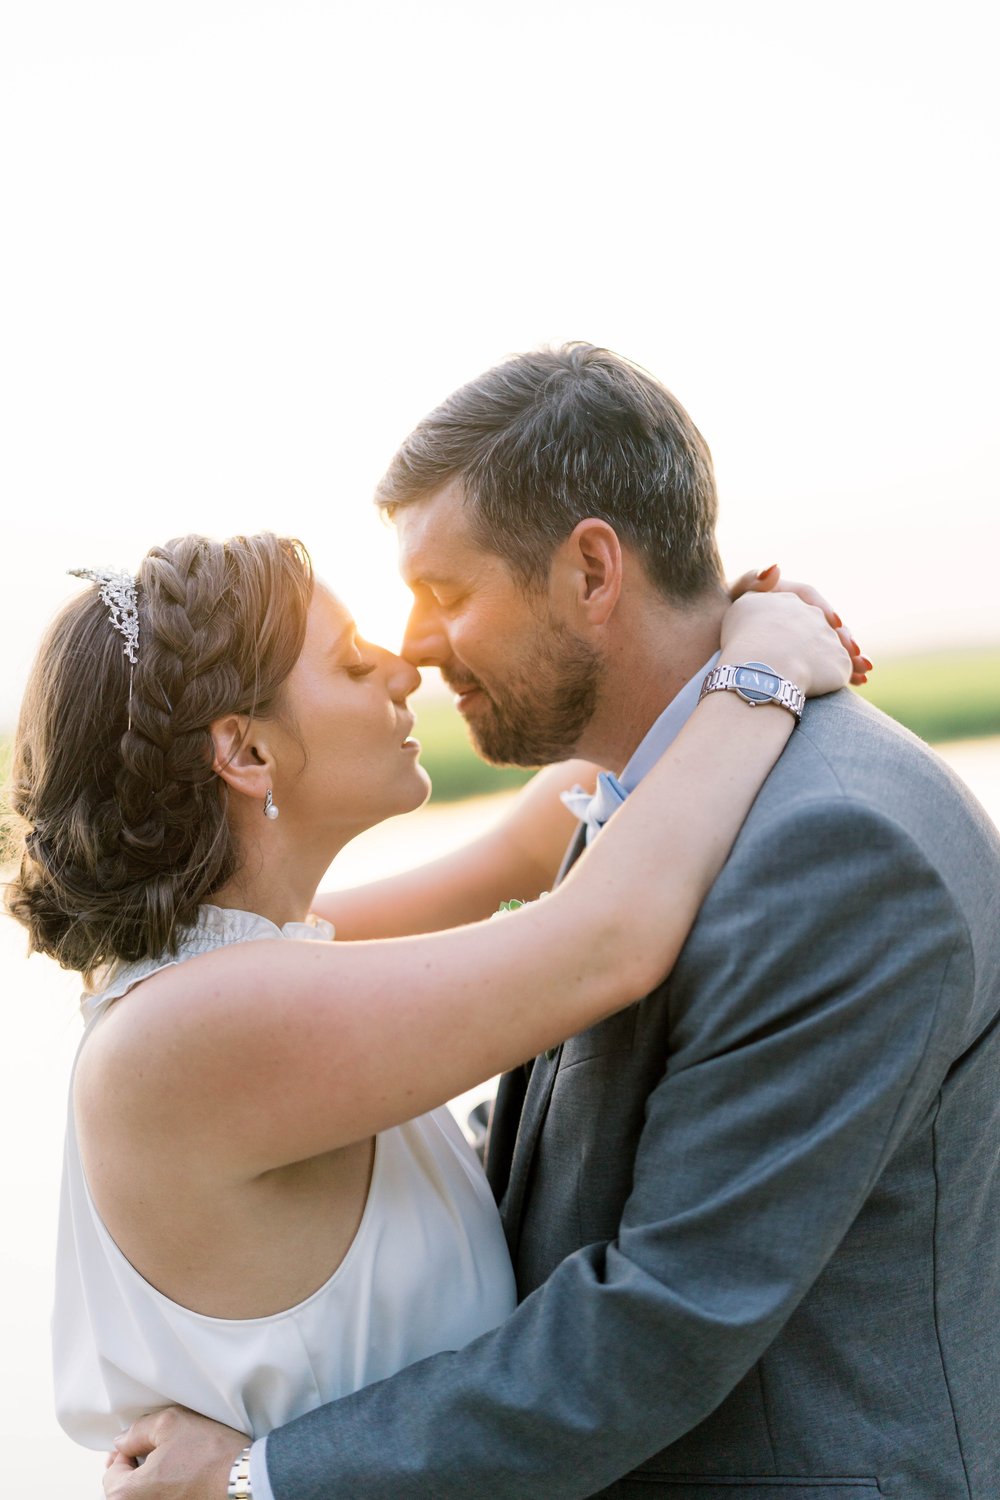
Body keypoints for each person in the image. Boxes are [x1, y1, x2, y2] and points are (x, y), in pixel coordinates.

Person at [108, 346, 1000, 1500]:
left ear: (590, 571)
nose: (415, 648)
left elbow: (662, 1319)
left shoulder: (834, 848)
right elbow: (564, 1154)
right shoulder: (661, 797)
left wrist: (259, 1476)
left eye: (447, 593)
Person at [6, 534, 847, 1467]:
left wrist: (692, 633)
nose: (405, 672)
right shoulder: (198, 1028)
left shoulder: (245, 963)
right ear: (244, 751)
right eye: (354, 663)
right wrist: (763, 667)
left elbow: (531, 847)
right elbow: (607, 941)